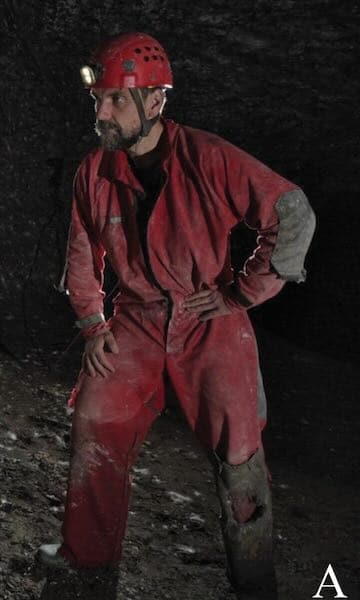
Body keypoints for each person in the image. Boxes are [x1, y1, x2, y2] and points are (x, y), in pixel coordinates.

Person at [37, 32, 317, 599]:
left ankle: (255, 582)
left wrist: (243, 294)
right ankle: (89, 572)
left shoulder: (208, 157)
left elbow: (290, 212)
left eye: (117, 100)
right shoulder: (95, 170)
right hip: (136, 319)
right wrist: (93, 325)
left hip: (207, 318)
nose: (103, 113)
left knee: (240, 453)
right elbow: (82, 252)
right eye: (100, 100)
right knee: (96, 418)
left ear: (157, 102)